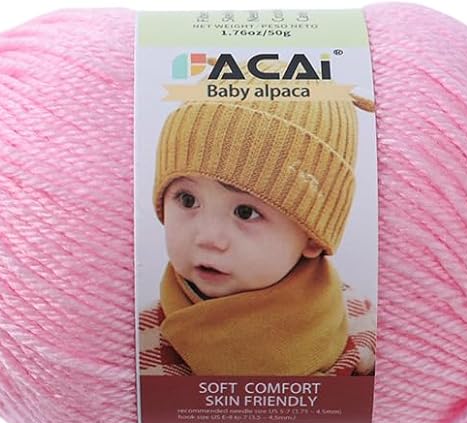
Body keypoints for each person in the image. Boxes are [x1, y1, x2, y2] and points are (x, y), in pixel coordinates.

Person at [139, 95, 376, 377]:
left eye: (245, 212)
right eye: (187, 200)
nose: (208, 238)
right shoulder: (138, 341)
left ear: (312, 236)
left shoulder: (364, 326)